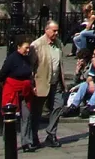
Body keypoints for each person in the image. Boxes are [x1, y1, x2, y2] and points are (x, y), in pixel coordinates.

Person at [29, 21, 65, 150]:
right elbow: (31, 67)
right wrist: (32, 83)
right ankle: (33, 137)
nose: (56, 33)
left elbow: (60, 64)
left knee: (59, 106)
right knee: (37, 111)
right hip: (41, 82)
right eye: (54, 31)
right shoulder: (37, 45)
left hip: (56, 82)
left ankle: (51, 134)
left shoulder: (59, 44)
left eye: (57, 31)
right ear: (46, 30)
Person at [0, 36, 36, 152]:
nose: (28, 50)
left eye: (29, 48)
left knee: (26, 115)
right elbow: (2, 74)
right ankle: (9, 140)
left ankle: (26, 142)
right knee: (11, 116)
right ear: (19, 47)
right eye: (26, 48)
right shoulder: (11, 58)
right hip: (12, 88)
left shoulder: (27, 59)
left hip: (26, 89)